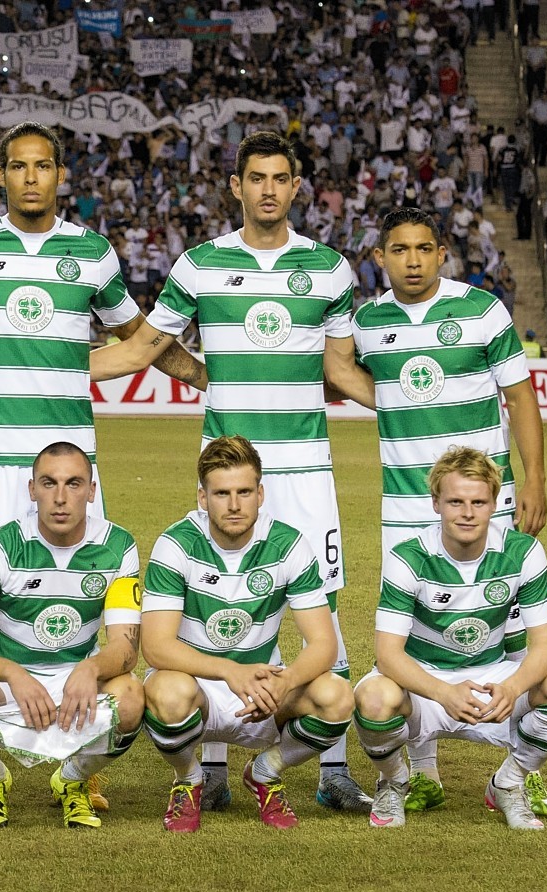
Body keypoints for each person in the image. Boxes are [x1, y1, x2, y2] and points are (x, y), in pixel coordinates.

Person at [0, 121, 201, 810]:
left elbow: (140, 339)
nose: (30, 177)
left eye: (42, 166)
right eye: (17, 166)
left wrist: (210, 378)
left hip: (65, 462)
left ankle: (81, 758)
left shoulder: (91, 253)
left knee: (82, 593)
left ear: (61, 174)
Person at [86, 131, 372, 815]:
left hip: (304, 472)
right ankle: (211, 766)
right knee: (211, 609)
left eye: (280, 178)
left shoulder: (329, 269)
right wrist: (40, 367)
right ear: (235, 186)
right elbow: (147, 348)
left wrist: (426, 404)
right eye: (255, 178)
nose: (268, 189)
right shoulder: (200, 266)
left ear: (296, 187)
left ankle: (331, 769)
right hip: (227, 468)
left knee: (321, 608)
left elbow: (338, 371)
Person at [351, 208, 547, 815]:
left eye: (423, 248)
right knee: (412, 630)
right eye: (398, 249)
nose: (411, 260)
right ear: (379, 257)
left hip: (483, 499)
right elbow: (345, 376)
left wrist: (535, 478)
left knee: (508, 620)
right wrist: (395, 402)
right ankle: (424, 765)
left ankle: (522, 765)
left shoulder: (483, 310)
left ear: (442, 254)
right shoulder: (367, 323)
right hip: (406, 503)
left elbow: (519, 396)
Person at [353, 448, 547, 830]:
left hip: (491, 681)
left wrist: (512, 688)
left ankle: (508, 784)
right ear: (436, 503)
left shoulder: (522, 552)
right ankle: (393, 781)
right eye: (455, 501)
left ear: (494, 503)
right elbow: (388, 655)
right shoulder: (408, 557)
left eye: (478, 501)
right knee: (374, 698)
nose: (467, 512)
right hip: (425, 684)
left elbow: (545, 644)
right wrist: (444, 693)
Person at [142, 436, 353, 832]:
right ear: (203, 498)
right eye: (222, 493)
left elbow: (324, 644)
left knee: (336, 696)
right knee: (166, 694)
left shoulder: (288, 544)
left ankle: (265, 773)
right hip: (196, 689)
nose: (234, 505)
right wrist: (227, 671)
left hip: (263, 690)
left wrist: (286, 680)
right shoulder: (175, 544)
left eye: (243, 492)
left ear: (260, 494)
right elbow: (155, 647)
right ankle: (188, 780)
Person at [0, 442, 143, 829]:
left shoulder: (118, 546)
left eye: (74, 484)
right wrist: (13, 673)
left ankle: (73, 780)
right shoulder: (1, 546)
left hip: (74, 680)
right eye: (49, 483)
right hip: (8, 681)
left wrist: (90, 669)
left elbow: (126, 649)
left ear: (92, 491)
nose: (61, 498)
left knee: (130, 699)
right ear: (32, 490)